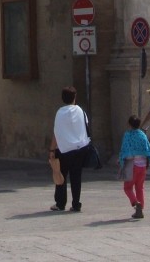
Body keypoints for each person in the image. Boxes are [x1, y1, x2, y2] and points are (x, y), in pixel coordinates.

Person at [48, 85, 91, 213]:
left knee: (61, 175)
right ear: (75, 97)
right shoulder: (81, 111)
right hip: (80, 148)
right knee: (76, 177)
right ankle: (76, 204)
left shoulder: (60, 113)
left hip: (64, 149)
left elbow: (56, 132)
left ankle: (60, 203)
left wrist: (51, 150)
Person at [118, 115, 150, 219]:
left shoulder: (128, 135)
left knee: (127, 187)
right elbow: (148, 149)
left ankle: (135, 202)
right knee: (140, 188)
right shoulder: (142, 135)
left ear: (129, 124)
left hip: (131, 164)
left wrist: (121, 161)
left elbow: (124, 149)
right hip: (142, 166)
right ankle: (140, 210)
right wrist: (147, 162)